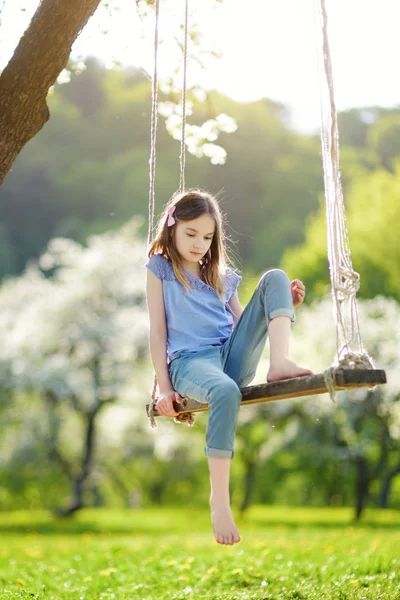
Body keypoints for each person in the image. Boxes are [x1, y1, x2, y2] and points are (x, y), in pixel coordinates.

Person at [144, 189, 313, 546]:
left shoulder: (223, 275)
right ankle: (220, 502)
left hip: (229, 357)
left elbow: (243, 329)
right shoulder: (160, 268)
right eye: (191, 234)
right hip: (191, 363)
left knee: (276, 278)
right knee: (224, 390)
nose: (199, 244)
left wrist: (281, 305)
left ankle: (280, 363)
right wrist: (164, 386)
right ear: (172, 227)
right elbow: (158, 331)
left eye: (207, 237)